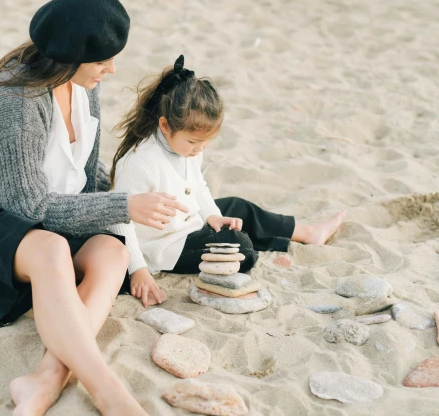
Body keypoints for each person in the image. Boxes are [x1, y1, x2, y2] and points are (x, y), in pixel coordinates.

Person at [0, 0, 185, 416]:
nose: (111, 70)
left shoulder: (85, 87)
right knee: (52, 250)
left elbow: (87, 173)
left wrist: (137, 196)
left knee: (113, 254)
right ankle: (111, 395)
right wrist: (124, 205)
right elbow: (27, 204)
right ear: (71, 55)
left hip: (51, 218)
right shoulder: (14, 101)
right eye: (103, 60)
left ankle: (45, 379)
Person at [109, 56, 345, 306]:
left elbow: (198, 186)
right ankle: (273, 243)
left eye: (205, 143)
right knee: (240, 248)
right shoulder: (140, 161)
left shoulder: (187, 149)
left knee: (238, 207)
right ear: (165, 126)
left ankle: (307, 233)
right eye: (193, 142)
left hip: (192, 222)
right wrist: (138, 269)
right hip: (165, 246)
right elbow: (119, 219)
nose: (199, 149)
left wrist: (212, 215)